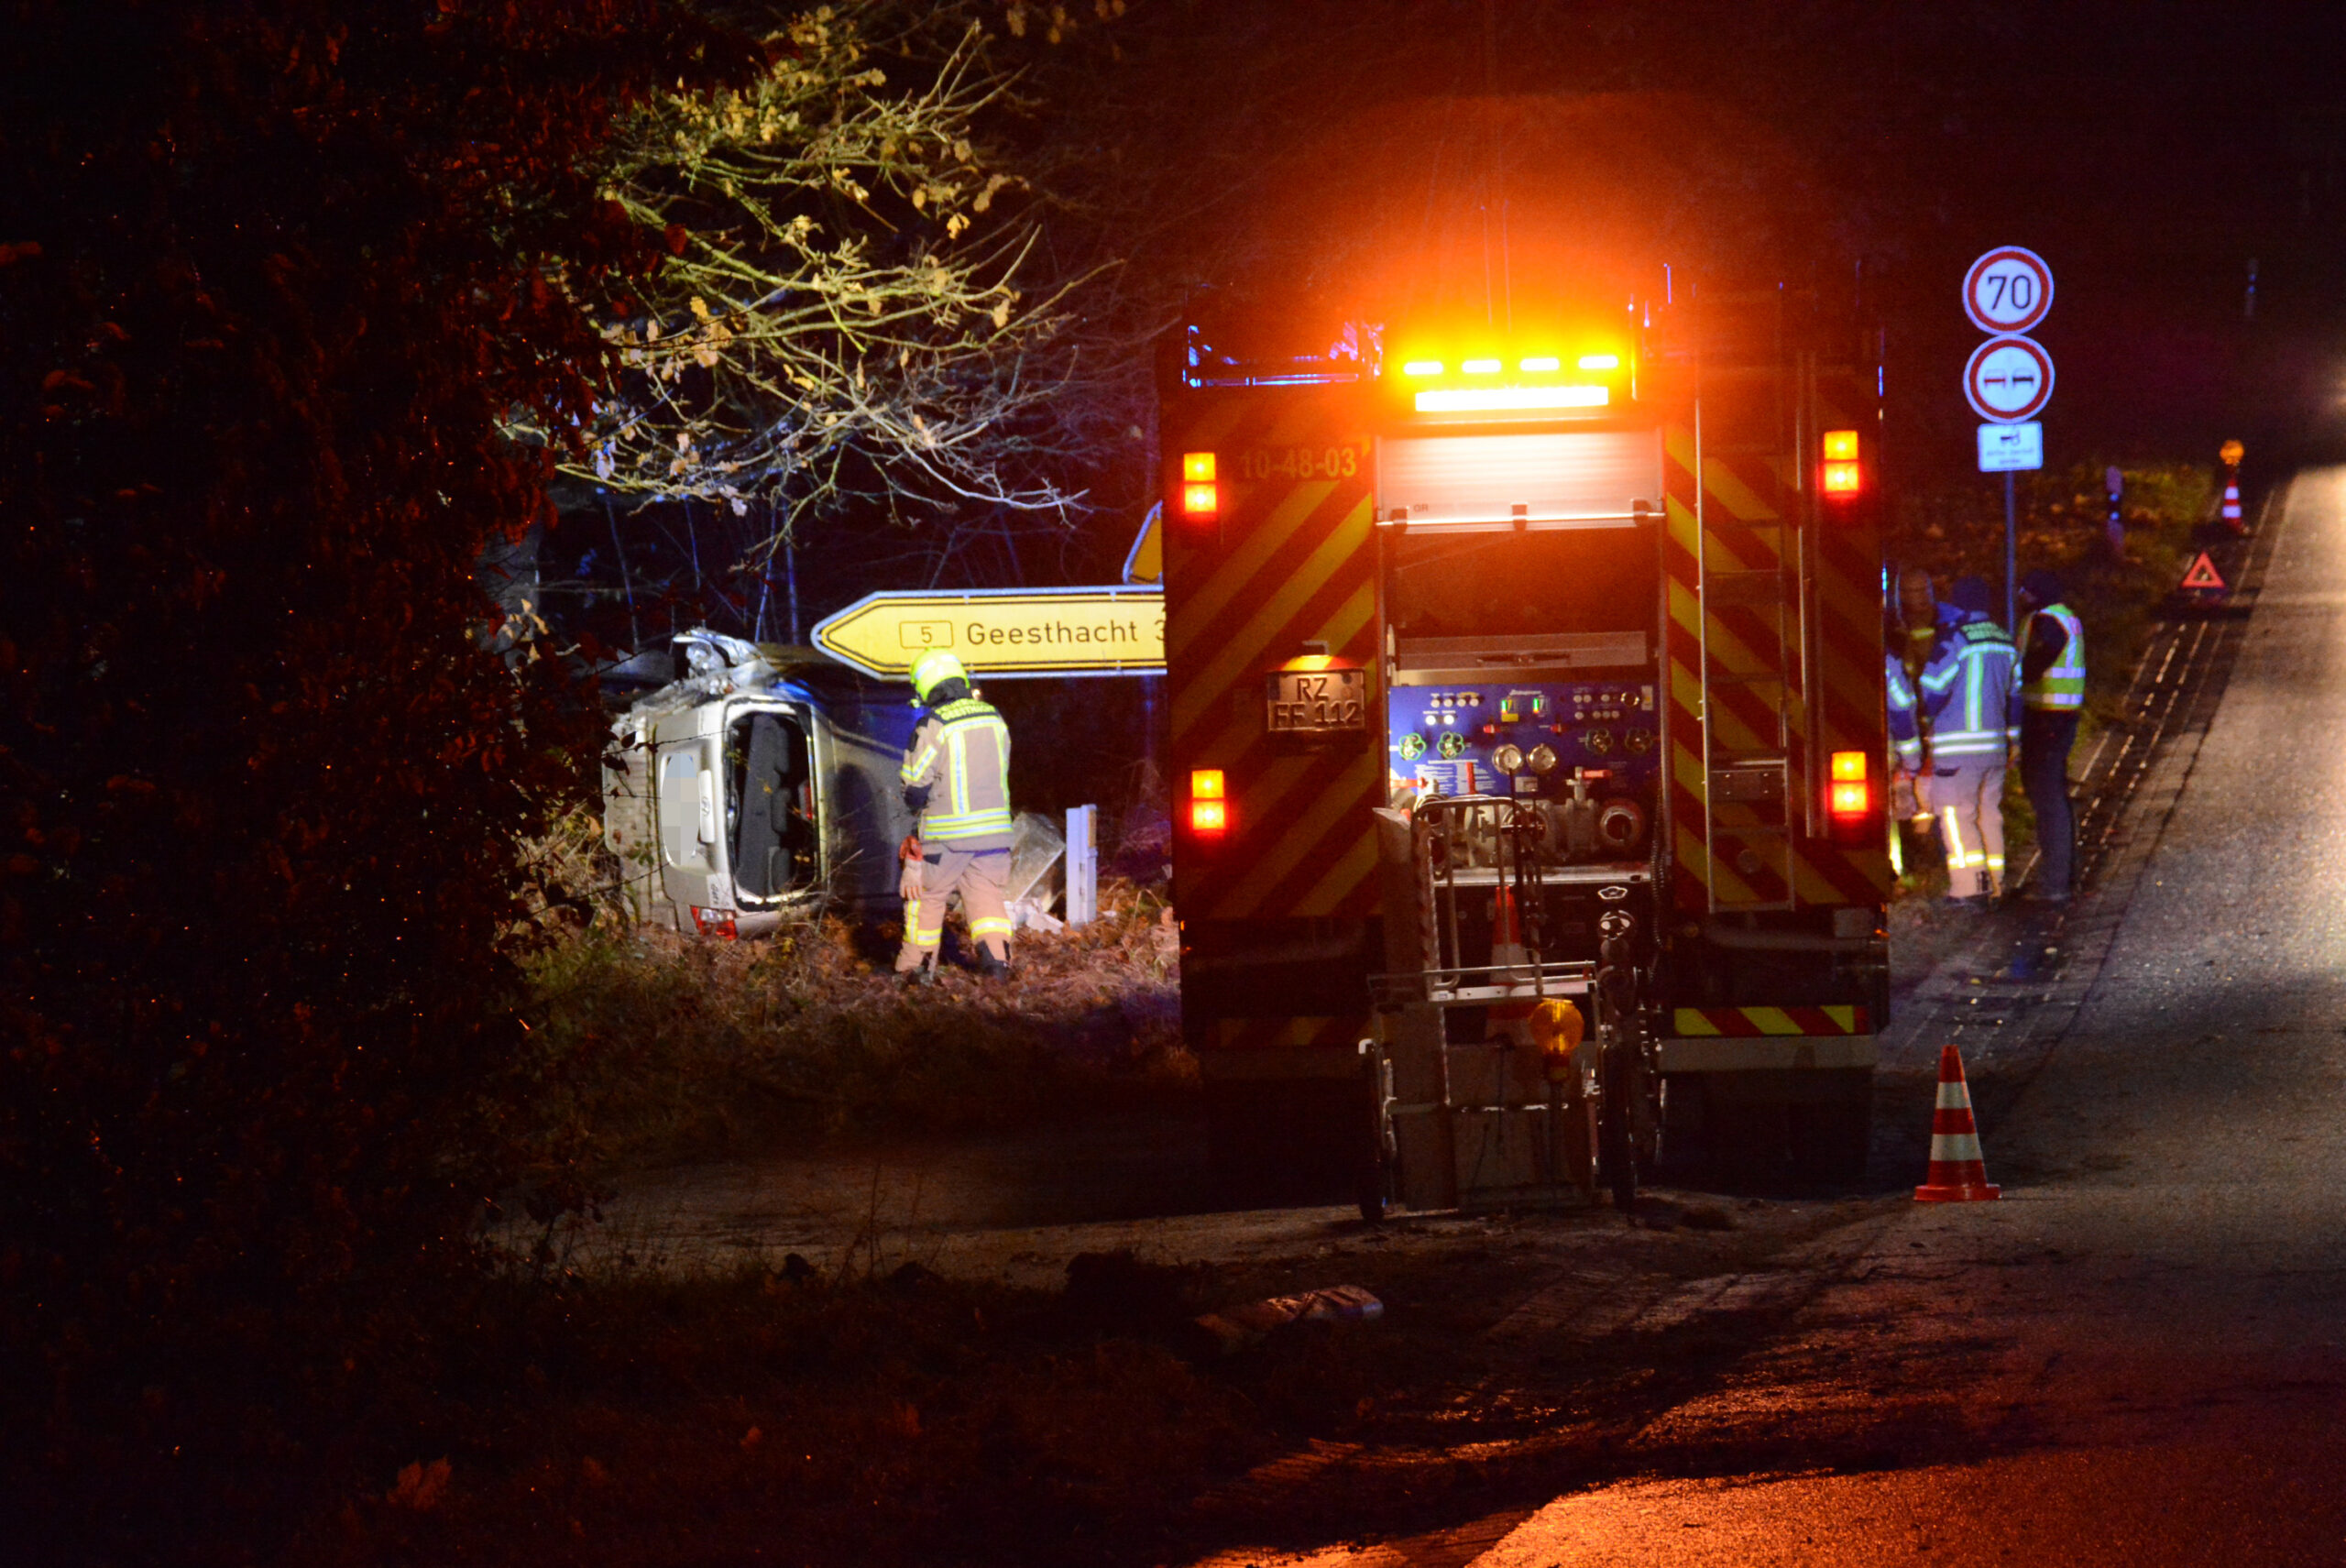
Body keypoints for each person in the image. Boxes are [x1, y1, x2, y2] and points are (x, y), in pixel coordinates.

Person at [894, 649, 1015, 981]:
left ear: (926, 687)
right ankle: (998, 968)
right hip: (995, 834)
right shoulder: (994, 717)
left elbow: (915, 785)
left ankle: (915, 973)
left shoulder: (934, 724)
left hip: (947, 838)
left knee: (926, 898)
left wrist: (911, 804)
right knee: (987, 898)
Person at [1919, 577, 2022, 903]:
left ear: (1959, 604)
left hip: (1958, 750)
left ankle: (1970, 889)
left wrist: (1928, 718)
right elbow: (2016, 696)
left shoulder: (1956, 639)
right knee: (1988, 814)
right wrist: (2013, 740)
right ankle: (1996, 883)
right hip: (1995, 748)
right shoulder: (2004, 641)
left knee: (1955, 815)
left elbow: (1932, 687)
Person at [2017, 569, 2086, 904]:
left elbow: (2037, 661)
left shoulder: (2046, 621)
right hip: (2060, 717)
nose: (2021, 597)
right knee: (2054, 795)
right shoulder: (2066, 617)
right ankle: (2063, 876)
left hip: (2046, 718)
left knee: (2047, 798)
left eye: (2026, 592)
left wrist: (2018, 674)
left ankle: (2055, 883)